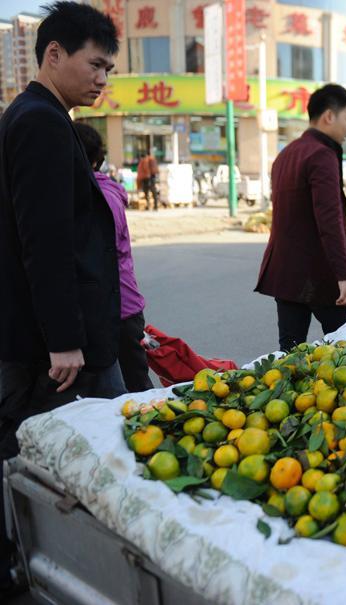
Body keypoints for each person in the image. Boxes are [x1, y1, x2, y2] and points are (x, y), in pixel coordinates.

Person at [0, 1, 122, 595]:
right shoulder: (42, 122)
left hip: (52, 335)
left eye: (110, 70)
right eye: (95, 64)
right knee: (89, 461)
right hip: (59, 346)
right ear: (53, 54)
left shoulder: (37, 115)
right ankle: (76, 572)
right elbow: (44, 242)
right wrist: (67, 341)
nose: (103, 79)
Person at [255, 84, 346, 352]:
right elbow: (329, 219)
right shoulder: (322, 154)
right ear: (329, 116)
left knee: (289, 356)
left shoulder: (286, 154)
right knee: (345, 352)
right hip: (321, 275)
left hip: (285, 273)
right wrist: (344, 274)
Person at [75, 122, 154, 393]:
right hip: (118, 308)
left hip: (117, 310)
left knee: (135, 393)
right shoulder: (101, 191)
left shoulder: (99, 197)